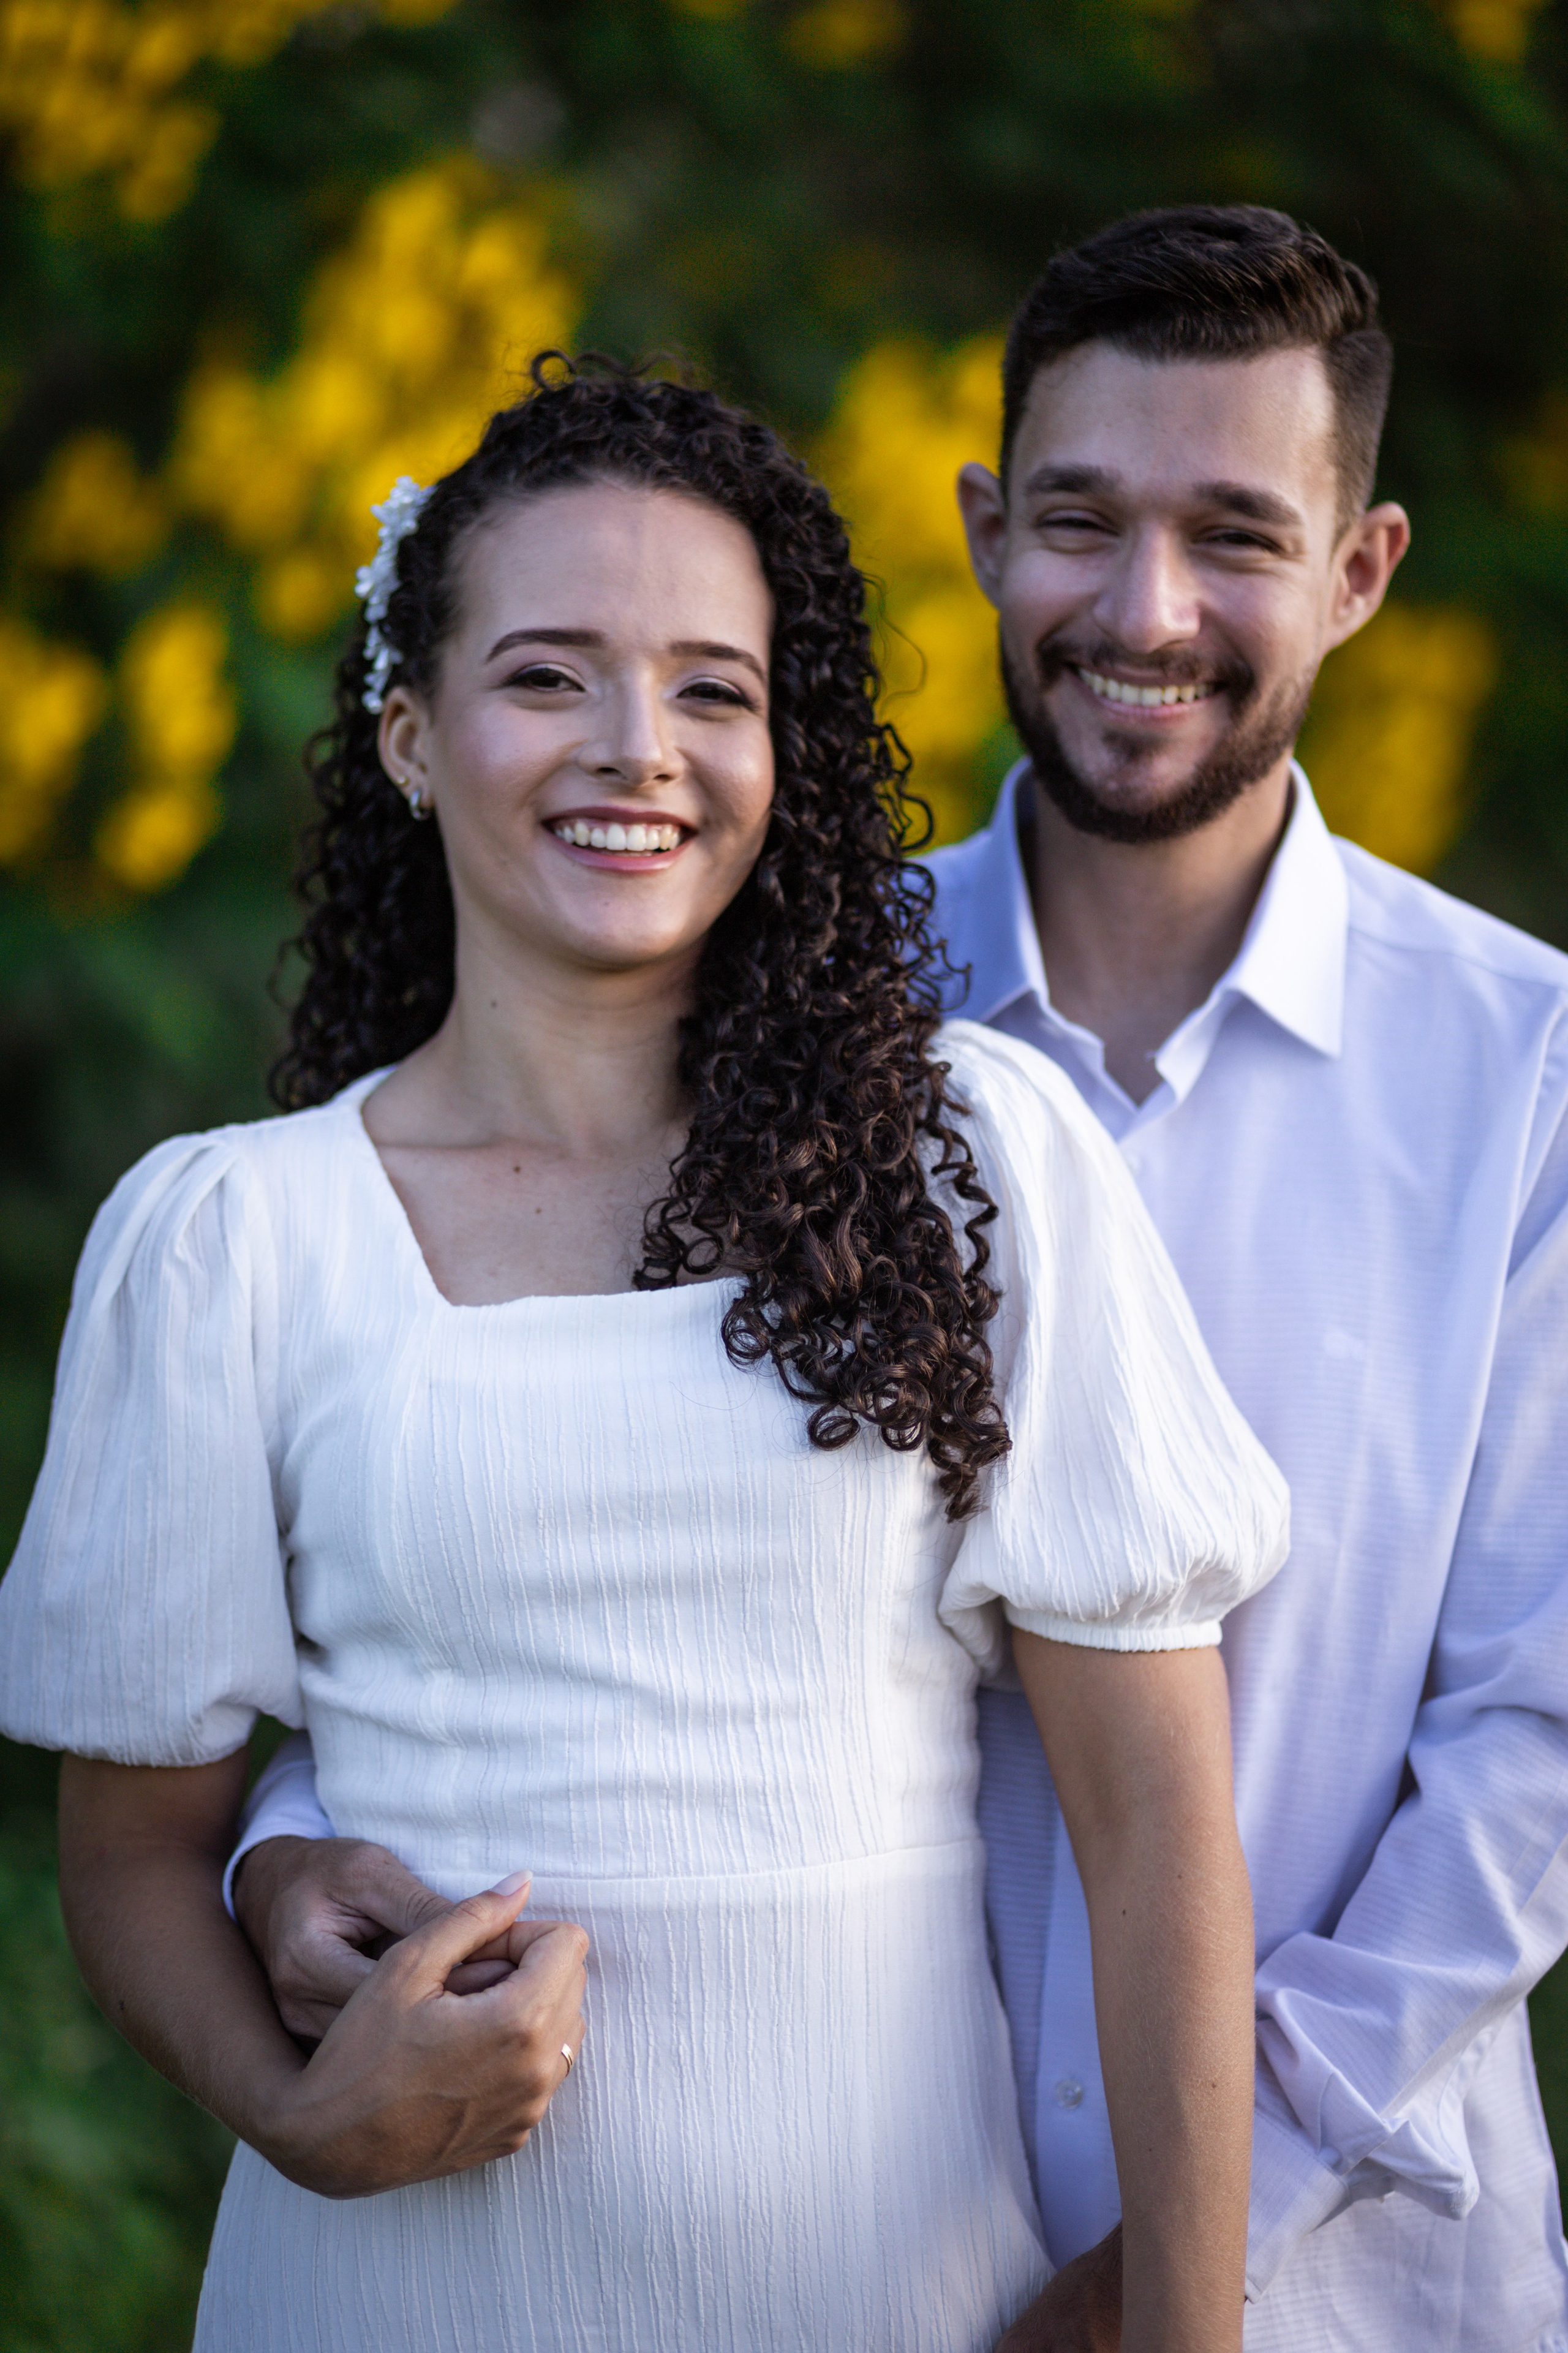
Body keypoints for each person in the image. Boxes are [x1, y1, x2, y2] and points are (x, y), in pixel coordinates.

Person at [0, 360, 1289, 2353]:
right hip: (386, 2301)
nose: (638, 748)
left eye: (712, 688)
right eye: (548, 676)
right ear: (411, 733)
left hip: (888, 2300)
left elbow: (1159, 1842)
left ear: (783, 748)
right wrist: (298, 2118)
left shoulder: (969, 1166)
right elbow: (132, 1858)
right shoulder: (231, 1237)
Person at [940, 207, 1568, 2350]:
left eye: (1235, 536)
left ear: (1362, 571)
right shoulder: (788, 1019)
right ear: (985, 532)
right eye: (1080, 521)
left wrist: (1201, 2226)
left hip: (1360, 2291)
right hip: (840, 2244)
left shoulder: (1525, 1071)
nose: (1147, 611)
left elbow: (1535, 1744)